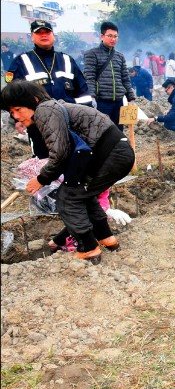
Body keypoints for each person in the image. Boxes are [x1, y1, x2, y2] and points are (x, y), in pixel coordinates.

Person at [1, 80, 135, 263]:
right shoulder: (49, 110)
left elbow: (60, 153)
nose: (16, 116)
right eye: (12, 112)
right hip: (113, 154)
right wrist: (31, 126)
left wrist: (41, 179)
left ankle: (88, 248)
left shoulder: (45, 110)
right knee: (83, 194)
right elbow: (42, 152)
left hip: (110, 155)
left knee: (68, 197)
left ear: (33, 100)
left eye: (18, 109)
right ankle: (106, 238)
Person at [7, 20, 93, 158]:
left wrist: (86, 117)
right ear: (32, 37)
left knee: (75, 160)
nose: (43, 35)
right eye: (38, 33)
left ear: (53, 35)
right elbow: (11, 95)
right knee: (45, 163)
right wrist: (17, 119)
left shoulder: (67, 60)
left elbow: (83, 93)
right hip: (39, 126)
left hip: (70, 123)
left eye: (47, 32)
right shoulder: (21, 62)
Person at [84, 21, 135, 131]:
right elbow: (90, 77)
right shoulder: (91, 54)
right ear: (102, 36)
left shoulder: (119, 56)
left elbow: (125, 78)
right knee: (102, 131)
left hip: (118, 101)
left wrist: (131, 98)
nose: (113, 39)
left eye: (115, 36)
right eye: (110, 36)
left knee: (118, 131)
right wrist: (92, 96)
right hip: (101, 101)